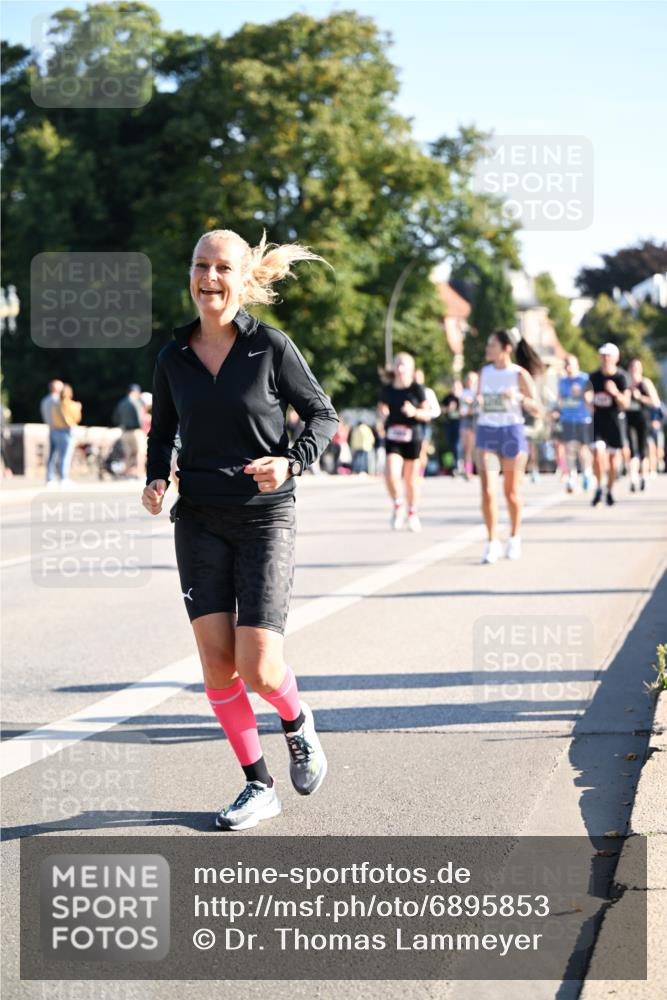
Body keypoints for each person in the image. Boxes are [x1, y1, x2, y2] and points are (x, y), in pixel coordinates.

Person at [142, 228, 338, 831]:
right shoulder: (173, 357)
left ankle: (297, 721)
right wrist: (156, 479)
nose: (208, 277)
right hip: (198, 518)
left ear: (242, 277)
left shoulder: (270, 347)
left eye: (222, 267)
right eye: (200, 265)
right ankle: (258, 784)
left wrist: (292, 460)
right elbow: (162, 433)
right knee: (217, 664)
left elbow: (323, 416)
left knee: (258, 666)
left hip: (264, 518)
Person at [476, 329, 542, 563]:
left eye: (492, 345)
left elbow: (538, 409)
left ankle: (514, 537)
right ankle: (492, 542)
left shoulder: (519, 374)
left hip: (512, 432)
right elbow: (479, 400)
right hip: (487, 432)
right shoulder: (484, 373)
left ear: (506, 348)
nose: (487, 349)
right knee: (487, 491)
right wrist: (476, 402)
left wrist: (519, 398)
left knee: (511, 492)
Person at [378, 352, 431, 532]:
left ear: (411, 369)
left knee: (410, 481)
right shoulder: (388, 389)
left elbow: (427, 414)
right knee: (390, 474)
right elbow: (382, 406)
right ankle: (398, 504)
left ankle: (412, 513)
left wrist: (414, 411)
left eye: (404, 365)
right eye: (397, 364)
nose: (400, 369)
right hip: (393, 436)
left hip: (412, 437)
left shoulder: (417, 389)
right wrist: (383, 414)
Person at [588, 343, 631, 507]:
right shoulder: (594, 377)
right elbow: (587, 394)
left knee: (613, 461)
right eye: (603, 355)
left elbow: (626, 403)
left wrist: (614, 392)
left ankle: (609, 489)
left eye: (608, 355)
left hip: (615, 421)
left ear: (616, 358)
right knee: (598, 454)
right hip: (598, 420)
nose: (605, 358)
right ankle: (599, 486)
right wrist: (587, 399)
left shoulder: (622, 377)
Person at [553, 354, 593, 492]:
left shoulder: (584, 379)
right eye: (566, 364)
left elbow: (590, 397)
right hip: (567, 418)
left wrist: (583, 395)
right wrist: (556, 410)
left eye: (570, 364)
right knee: (569, 448)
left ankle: (587, 473)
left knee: (582, 449)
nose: (568, 367)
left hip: (583, 418)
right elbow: (560, 398)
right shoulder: (562, 381)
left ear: (577, 365)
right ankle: (571, 477)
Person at [626, 358, 661, 492]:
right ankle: (633, 478)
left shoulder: (645, 383)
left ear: (640, 369)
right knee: (631, 449)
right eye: (632, 367)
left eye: (637, 367)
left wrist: (640, 397)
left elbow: (656, 402)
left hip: (643, 419)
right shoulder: (626, 383)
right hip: (628, 419)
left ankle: (644, 477)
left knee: (642, 449)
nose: (634, 370)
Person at [49, 383, 82, 486]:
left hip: (55, 431)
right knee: (66, 456)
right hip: (67, 431)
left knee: (55, 456)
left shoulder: (55, 406)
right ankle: (64, 478)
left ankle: (52, 478)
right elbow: (77, 419)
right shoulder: (72, 405)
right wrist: (78, 408)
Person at [112, 383, 144, 478]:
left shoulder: (121, 403)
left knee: (127, 453)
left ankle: (127, 473)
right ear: (135, 392)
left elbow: (115, 418)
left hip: (124, 431)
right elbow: (139, 419)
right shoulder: (135, 402)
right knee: (140, 452)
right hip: (135, 431)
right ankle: (139, 472)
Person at [415, 368, 442, 474]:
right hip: (411, 425)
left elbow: (436, 411)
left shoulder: (428, 392)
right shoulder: (408, 391)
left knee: (422, 450)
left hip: (424, 425)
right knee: (413, 452)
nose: (416, 379)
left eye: (418, 377)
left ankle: (420, 473)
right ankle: (412, 473)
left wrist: (424, 413)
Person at [40, 378, 64, 485]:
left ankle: (50, 477)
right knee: (61, 455)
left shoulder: (45, 400)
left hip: (51, 429)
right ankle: (61, 477)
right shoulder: (57, 401)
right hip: (60, 430)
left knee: (52, 454)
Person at [458, 372, 479, 479]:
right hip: (466, 421)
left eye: (472, 379)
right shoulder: (463, 393)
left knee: (478, 448)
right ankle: (468, 471)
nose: (470, 381)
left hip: (477, 420)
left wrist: (472, 406)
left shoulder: (478, 393)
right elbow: (462, 410)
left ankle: (480, 470)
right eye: (469, 379)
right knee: (467, 448)